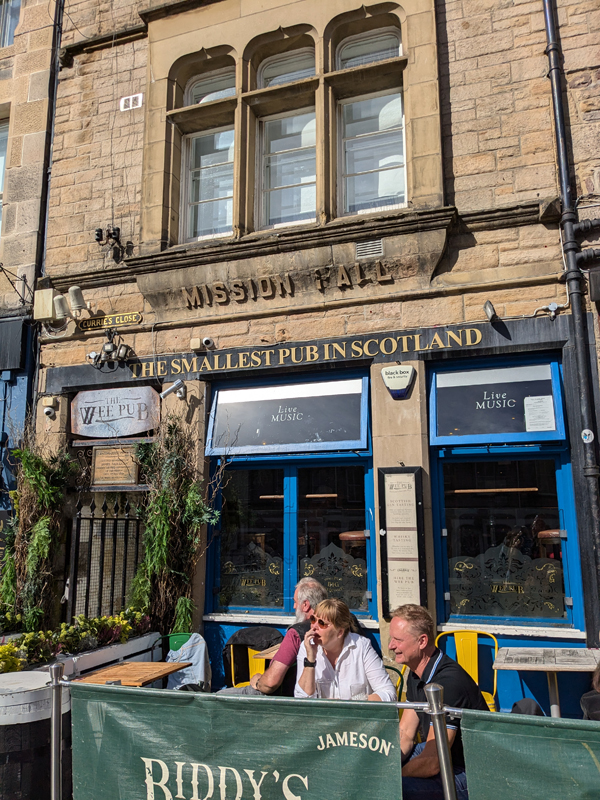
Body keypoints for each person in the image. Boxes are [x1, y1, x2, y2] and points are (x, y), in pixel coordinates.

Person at [388, 604, 489, 800]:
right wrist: (380, 765)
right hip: (443, 757)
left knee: (394, 790)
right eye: (391, 639)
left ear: (422, 641)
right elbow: (406, 733)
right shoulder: (416, 673)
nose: (391, 646)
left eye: (398, 640)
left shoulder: (448, 683)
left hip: (470, 773)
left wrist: (389, 779)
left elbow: (433, 762)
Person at [219, 577, 327, 696]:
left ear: (305, 605)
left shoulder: (296, 633)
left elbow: (270, 684)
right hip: (319, 693)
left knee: (219, 696)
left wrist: (258, 681)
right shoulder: (335, 628)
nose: (294, 606)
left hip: (285, 696)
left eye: (295, 602)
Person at [295, 598, 396, 702]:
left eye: (321, 623)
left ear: (340, 632)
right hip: (322, 713)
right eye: (313, 619)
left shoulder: (361, 646)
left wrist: (355, 702)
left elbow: (389, 693)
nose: (314, 626)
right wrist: (310, 661)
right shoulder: (307, 647)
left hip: (356, 712)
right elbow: (301, 700)